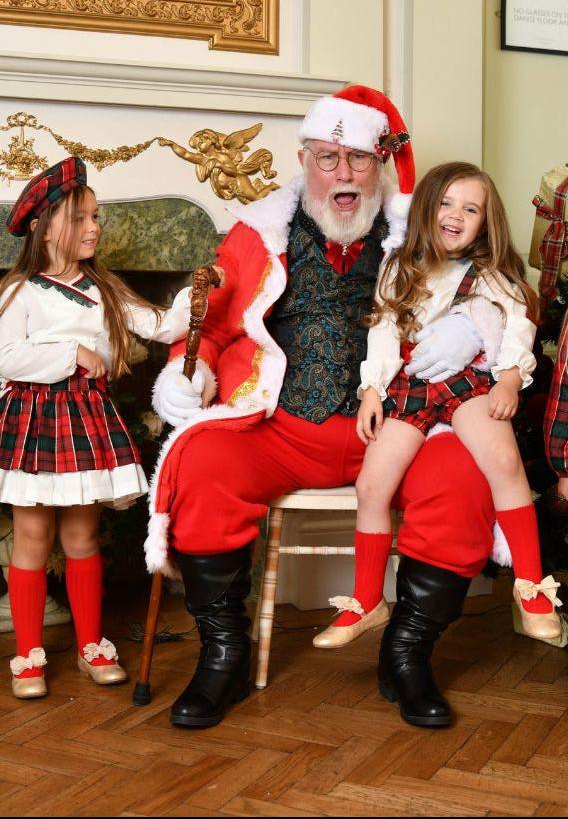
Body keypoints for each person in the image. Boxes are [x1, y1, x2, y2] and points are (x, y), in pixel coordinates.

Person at [147, 86, 503, 730]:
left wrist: (476, 327)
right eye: (328, 157)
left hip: (403, 425)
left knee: (462, 476)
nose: (343, 174)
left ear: (381, 166)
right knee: (201, 462)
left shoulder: (422, 230)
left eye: (359, 160)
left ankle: (407, 654)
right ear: (304, 158)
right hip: (281, 426)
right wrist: (182, 374)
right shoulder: (260, 234)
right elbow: (212, 325)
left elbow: (505, 285)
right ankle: (224, 655)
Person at [314, 162, 563, 654]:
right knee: (372, 483)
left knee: (505, 464)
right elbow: (383, 330)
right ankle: (367, 599)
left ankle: (531, 585)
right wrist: (371, 390)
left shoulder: (491, 275)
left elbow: (519, 326)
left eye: (470, 209)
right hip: (411, 385)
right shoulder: (398, 268)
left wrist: (511, 377)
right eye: (446, 204)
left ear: (485, 222)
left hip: (469, 382)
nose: (456, 215)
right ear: (427, 209)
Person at [0, 157, 191, 699]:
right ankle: (28, 655)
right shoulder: (20, 292)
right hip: (36, 426)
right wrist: (72, 351)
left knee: (82, 536)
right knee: (33, 537)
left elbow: (162, 325)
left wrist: (197, 292)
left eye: (96, 217)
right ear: (46, 226)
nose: (95, 228)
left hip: (85, 422)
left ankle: (91, 645)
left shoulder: (104, 288)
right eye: (82, 218)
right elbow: (6, 355)